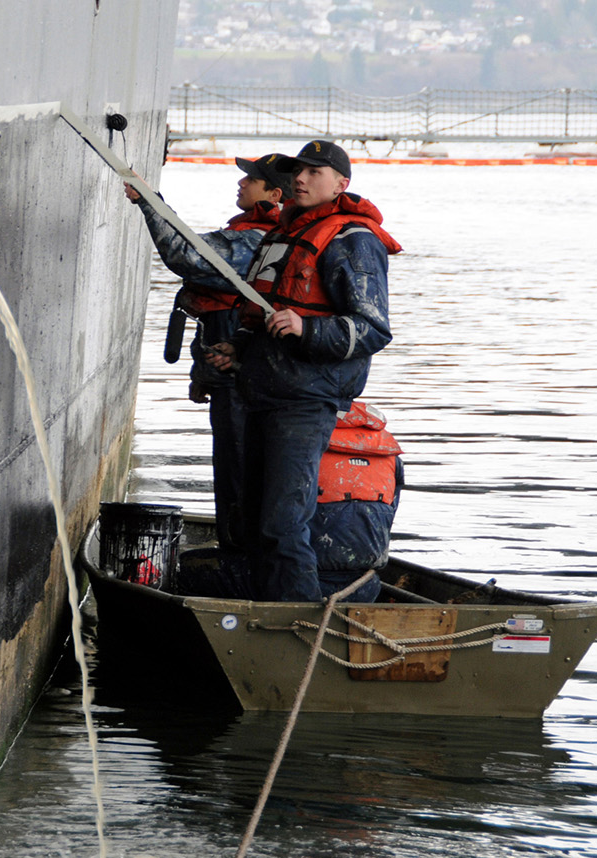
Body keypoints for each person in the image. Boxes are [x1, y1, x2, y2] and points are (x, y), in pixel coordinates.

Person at [208, 139, 402, 601]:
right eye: (299, 171)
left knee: (282, 524)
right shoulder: (283, 235)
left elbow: (372, 328)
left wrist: (307, 329)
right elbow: (265, 314)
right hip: (262, 395)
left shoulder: (353, 240)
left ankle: (295, 624)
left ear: (341, 183)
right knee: (254, 519)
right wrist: (237, 351)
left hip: (305, 404)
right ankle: (262, 612)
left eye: (316, 172)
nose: (301, 178)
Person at [124, 155, 294, 563]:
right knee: (234, 457)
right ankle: (239, 548)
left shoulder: (255, 241)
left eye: (251, 179)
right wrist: (202, 372)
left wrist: (150, 202)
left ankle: (240, 557)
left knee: (238, 462)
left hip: (242, 372)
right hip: (229, 357)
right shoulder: (260, 236)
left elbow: (187, 255)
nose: (241, 183)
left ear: (275, 194)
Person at [310, 401, 403, 602]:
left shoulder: (305, 444)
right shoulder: (390, 453)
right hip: (366, 583)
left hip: (309, 577)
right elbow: (392, 508)